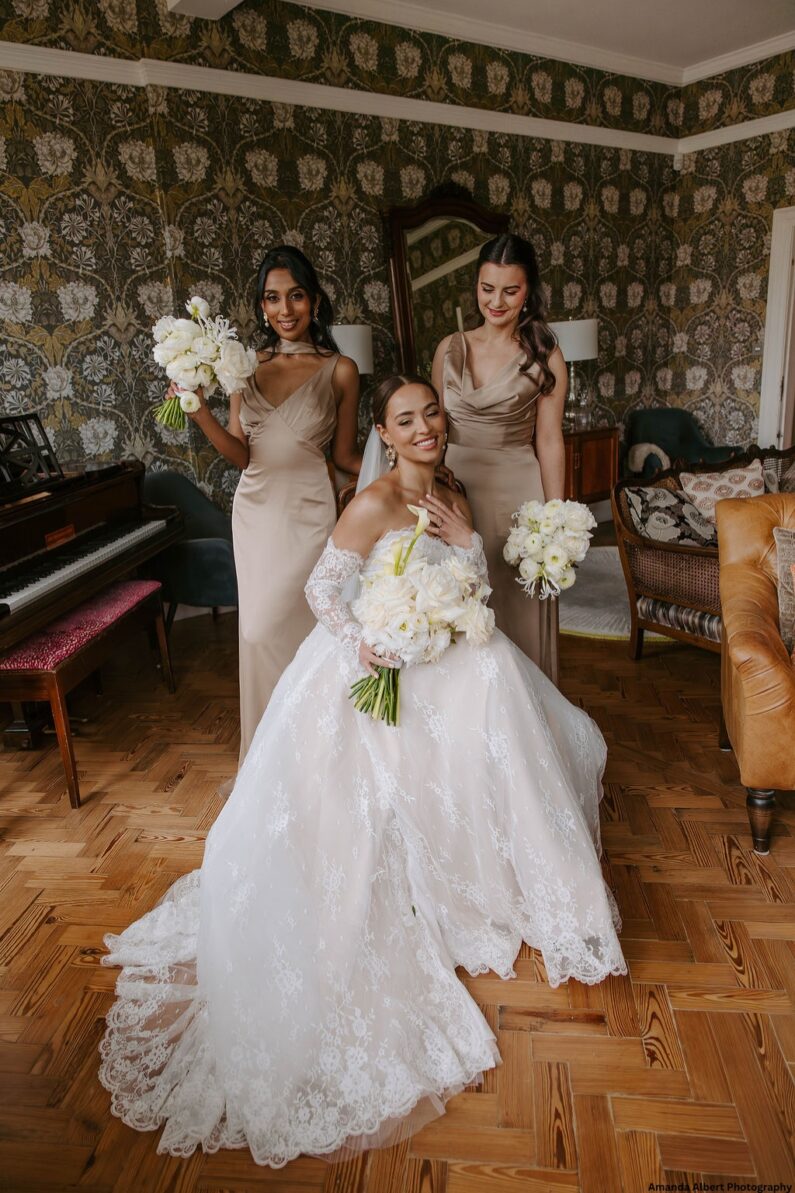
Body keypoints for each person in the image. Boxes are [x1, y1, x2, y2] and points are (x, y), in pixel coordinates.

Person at [99, 375, 626, 1167]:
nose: (424, 428)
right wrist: (366, 643)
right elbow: (322, 590)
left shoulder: (451, 492)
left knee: (506, 689)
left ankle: (501, 872)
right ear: (383, 432)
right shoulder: (372, 502)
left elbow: (473, 588)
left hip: (446, 649)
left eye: (431, 413)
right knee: (451, 710)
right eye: (405, 419)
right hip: (385, 656)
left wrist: (466, 542)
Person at [176, 246, 362, 763]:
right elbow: (241, 453)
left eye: (296, 296)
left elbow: (345, 455)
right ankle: (268, 761)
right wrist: (200, 413)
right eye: (273, 298)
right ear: (261, 306)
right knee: (257, 633)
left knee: (309, 632)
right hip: (256, 513)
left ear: (315, 301)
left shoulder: (341, 370)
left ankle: (320, 755)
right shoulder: (244, 367)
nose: (285, 309)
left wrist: (405, 465)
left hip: (310, 513)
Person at [432, 233, 567, 683]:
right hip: (456, 491)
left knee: (516, 607)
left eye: (510, 291)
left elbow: (550, 440)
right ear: (476, 285)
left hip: (517, 494)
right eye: (487, 288)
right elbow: (432, 433)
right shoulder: (449, 348)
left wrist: (555, 519)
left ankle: (527, 711)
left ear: (528, 291)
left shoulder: (545, 354)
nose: (496, 301)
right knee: (461, 604)